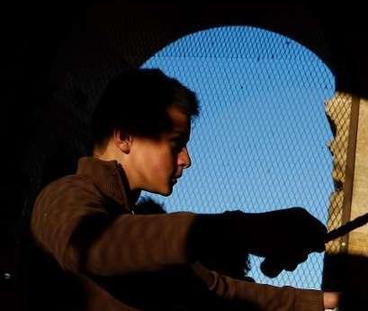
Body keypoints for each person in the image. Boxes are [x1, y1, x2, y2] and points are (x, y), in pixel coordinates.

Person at [29, 68, 340, 310]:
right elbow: (90, 244)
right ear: (124, 136)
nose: (186, 159)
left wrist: (325, 302)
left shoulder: (134, 231)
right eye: (176, 144)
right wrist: (241, 230)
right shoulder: (60, 198)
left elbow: (215, 290)